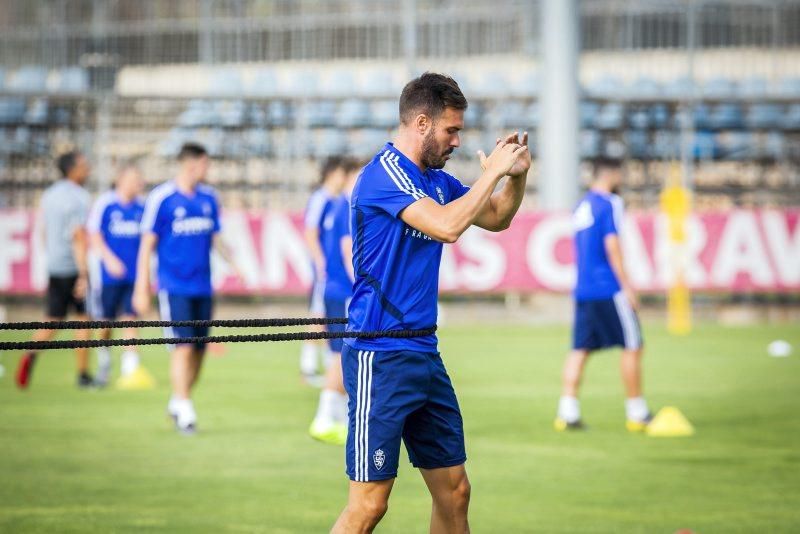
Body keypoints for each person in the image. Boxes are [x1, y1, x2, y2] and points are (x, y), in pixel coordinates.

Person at [331, 72, 530, 533]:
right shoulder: (384, 176)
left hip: (424, 353)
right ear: (421, 123)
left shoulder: (436, 180)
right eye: (451, 130)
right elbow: (445, 227)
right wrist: (493, 172)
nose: (457, 140)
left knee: (455, 492)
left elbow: (497, 216)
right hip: (378, 357)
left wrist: (515, 179)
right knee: (369, 506)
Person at [133, 142, 239, 435]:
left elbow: (215, 237)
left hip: (203, 287)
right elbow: (147, 245)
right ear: (193, 164)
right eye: (206, 164)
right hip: (173, 286)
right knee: (182, 347)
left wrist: (234, 263)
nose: (208, 170)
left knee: (199, 351)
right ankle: (185, 408)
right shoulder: (162, 198)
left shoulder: (208, 198)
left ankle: (179, 401)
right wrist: (142, 287)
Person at [554, 156, 652, 432]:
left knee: (579, 349)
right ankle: (637, 412)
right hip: (608, 287)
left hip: (584, 289)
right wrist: (627, 287)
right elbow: (612, 247)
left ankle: (567, 412)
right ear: (611, 174)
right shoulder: (610, 203)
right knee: (633, 345)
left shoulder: (581, 205)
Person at [15, 150, 94, 389]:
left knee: (53, 320)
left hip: (55, 264)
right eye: (84, 165)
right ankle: (82, 374)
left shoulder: (48, 195)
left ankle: (29, 354)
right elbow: (78, 235)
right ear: (73, 169)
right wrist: (83, 273)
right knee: (84, 320)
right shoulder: (79, 197)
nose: (88, 169)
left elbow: (44, 231)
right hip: (73, 265)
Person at [86, 163, 154, 390]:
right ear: (122, 180)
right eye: (135, 179)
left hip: (134, 275)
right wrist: (109, 259)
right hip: (108, 276)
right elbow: (94, 235)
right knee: (105, 322)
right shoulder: (106, 203)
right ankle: (104, 361)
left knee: (131, 317)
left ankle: (130, 368)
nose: (139, 183)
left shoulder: (142, 208)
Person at [308, 158, 361, 445]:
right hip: (343, 290)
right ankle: (324, 417)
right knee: (342, 354)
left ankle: (337, 417)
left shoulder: (339, 204)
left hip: (336, 289)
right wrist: (364, 285)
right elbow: (346, 250)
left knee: (338, 354)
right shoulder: (347, 205)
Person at [299, 157, 348, 386]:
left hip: (332, 272)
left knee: (325, 317)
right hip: (326, 273)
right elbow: (310, 232)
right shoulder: (321, 198)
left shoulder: (338, 201)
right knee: (318, 316)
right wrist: (320, 262)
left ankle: (327, 366)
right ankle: (308, 364)